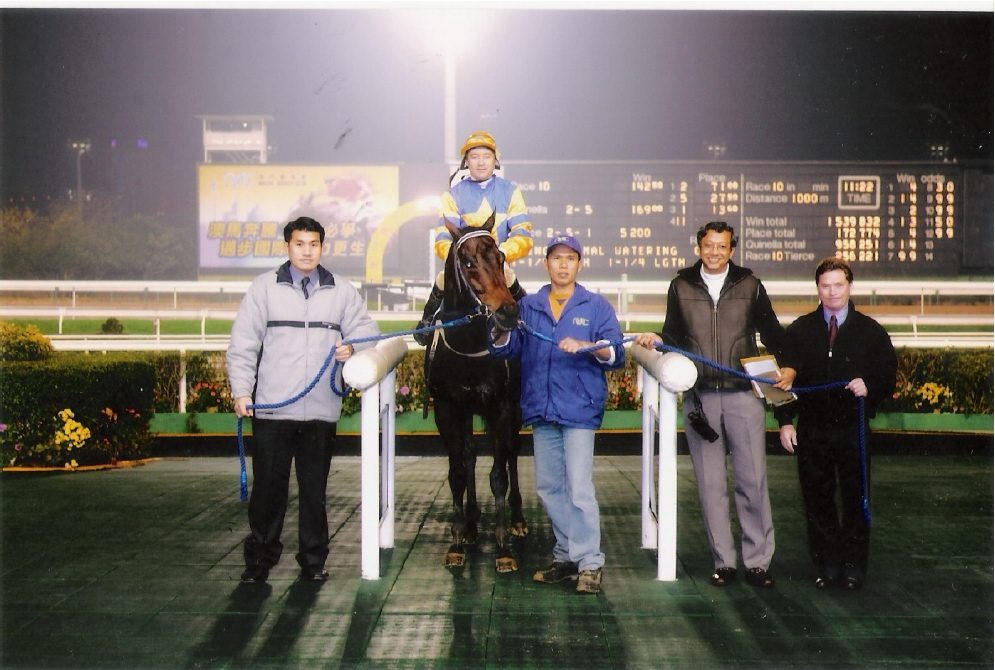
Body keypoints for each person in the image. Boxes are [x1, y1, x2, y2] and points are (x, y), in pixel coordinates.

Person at [633, 221, 793, 589]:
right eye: (709, 246)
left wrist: (789, 365)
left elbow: (773, 333)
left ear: (732, 249)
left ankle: (758, 562)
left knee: (752, 481)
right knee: (710, 485)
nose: (715, 252)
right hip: (700, 398)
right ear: (699, 247)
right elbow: (673, 332)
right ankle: (724, 562)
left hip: (744, 395)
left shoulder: (750, 284)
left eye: (722, 246)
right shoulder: (681, 285)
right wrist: (657, 338)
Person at [227, 216, 380, 584]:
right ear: (288, 247)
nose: (307, 251)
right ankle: (259, 562)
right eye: (299, 244)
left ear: (322, 248)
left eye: (313, 244)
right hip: (273, 411)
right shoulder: (263, 289)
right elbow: (243, 344)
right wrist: (241, 391)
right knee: (268, 493)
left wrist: (352, 346)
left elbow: (367, 331)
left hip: (320, 413)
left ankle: (313, 562)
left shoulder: (341, 291)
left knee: (315, 492)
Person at [489, 234, 625, 594]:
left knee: (579, 488)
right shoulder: (530, 306)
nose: (563, 265)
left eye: (570, 258)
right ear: (545, 263)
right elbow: (509, 350)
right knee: (550, 488)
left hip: (578, 409)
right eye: (556, 258)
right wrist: (501, 329)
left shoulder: (595, 306)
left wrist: (589, 346)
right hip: (541, 408)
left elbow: (616, 354)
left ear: (579, 264)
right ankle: (566, 555)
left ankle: (590, 562)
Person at [775, 257, 897, 591]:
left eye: (838, 285)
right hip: (812, 429)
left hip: (853, 429)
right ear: (817, 288)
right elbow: (783, 381)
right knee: (817, 498)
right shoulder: (799, 330)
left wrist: (869, 385)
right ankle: (826, 565)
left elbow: (888, 376)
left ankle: (854, 566)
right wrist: (786, 422)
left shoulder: (871, 331)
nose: (832, 292)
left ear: (849, 286)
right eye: (825, 286)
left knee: (856, 497)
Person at [414, 130, 533, 345]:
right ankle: (426, 322)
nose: (480, 163)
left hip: (498, 265)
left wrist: (499, 256)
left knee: (509, 280)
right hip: (466, 265)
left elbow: (523, 236)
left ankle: (530, 327)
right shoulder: (452, 194)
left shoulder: (511, 191)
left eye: (486, 157)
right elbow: (442, 240)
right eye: (474, 157)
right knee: (444, 276)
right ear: (466, 161)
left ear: (495, 160)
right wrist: (463, 260)